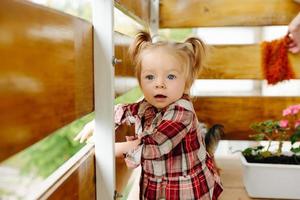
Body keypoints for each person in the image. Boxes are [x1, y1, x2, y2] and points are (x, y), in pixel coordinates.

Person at [75, 31, 223, 199]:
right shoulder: (148, 105)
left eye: (171, 76)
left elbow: (154, 146)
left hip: (186, 190)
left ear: (186, 81)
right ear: (140, 81)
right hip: (158, 186)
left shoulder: (182, 112)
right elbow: (126, 110)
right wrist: (100, 122)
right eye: (150, 77)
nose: (159, 84)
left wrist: (109, 147)